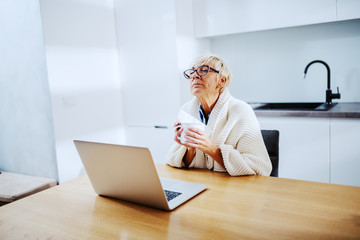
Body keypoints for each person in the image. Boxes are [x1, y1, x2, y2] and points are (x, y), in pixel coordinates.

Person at [165, 55, 272, 176]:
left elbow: (260, 167)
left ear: (222, 81)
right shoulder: (187, 110)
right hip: (199, 185)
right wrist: (190, 148)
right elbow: (178, 162)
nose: (195, 75)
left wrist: (211, 149)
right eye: (192, 71)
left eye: (203, 70)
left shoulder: (241, 110)